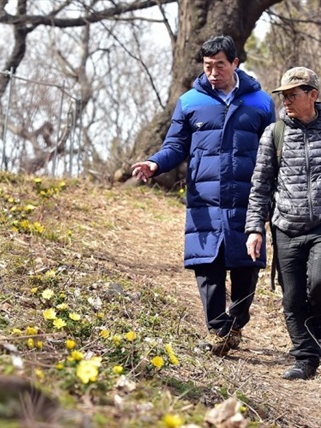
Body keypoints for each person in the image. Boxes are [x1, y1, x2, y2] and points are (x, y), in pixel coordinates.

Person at [131, 35, 275, 357]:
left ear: (235, 63)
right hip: (205, 202)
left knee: (245, 270)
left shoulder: (261, 102)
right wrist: (155, 163)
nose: (213, 73)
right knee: (207, 268)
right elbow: (175, 147)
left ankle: (236, 325)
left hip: (246, 200)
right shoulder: (190, 102)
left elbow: (273, 154)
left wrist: (273, 199)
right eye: (208, 66)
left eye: (219, 66)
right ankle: (218, 330)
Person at [245, 67, 321, 379]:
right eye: (283, 95)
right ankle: (305, 359)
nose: (286, 101)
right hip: (285, 226)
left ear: (313, 95)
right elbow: (260, 186)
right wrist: (255, 228)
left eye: (292, 95)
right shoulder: (274, 134)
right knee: (293, 296)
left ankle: (319, 329)